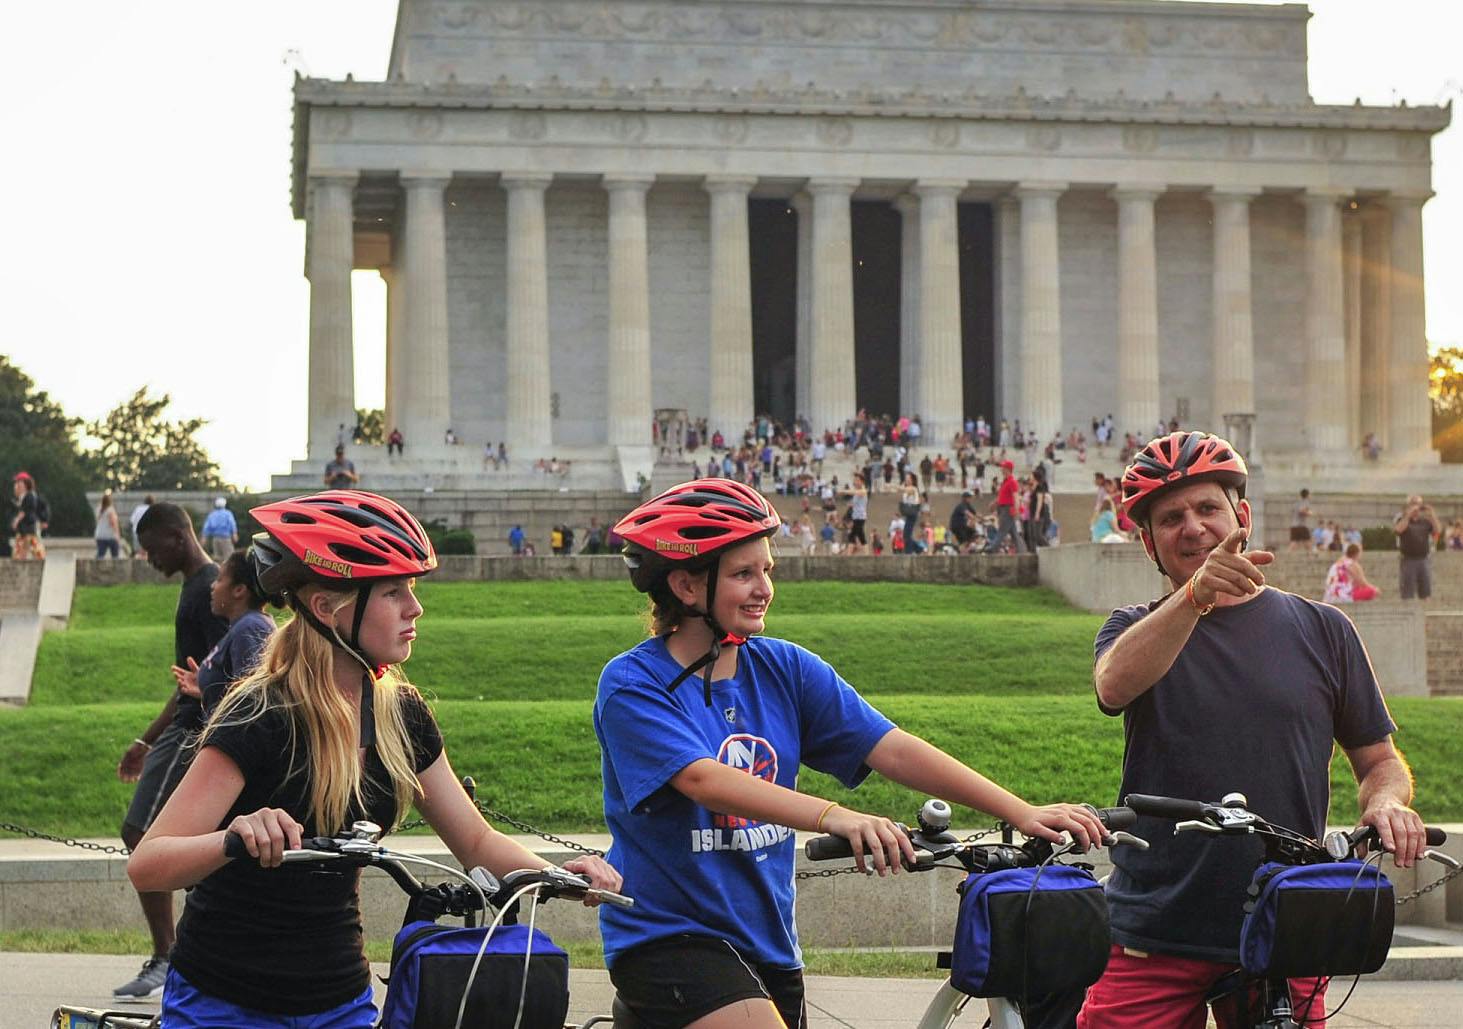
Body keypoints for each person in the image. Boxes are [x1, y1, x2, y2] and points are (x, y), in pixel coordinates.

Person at [596, 479, 1106, 1029]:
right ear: (687, 586)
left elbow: (892, 748)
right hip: (669, 940)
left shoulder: (785, 668)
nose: (764, 587)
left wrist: (1020, 810)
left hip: (767, 944)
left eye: (767, 570)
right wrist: (834, 815)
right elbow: (702, 780)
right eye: (744, 574)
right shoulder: (634, 684)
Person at [127, 490, 620, 1026]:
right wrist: (235, 836)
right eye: (392, 591)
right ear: (326, 608)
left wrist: (563, 877)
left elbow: (476, 841)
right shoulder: (261, 714)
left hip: (340, 999)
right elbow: (150, 864)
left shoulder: (400, 715)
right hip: (223, 1001)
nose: (416, 607)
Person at [1078, 431, 1428, 1029]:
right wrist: (1194, 597)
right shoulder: (1133, 627)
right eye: (1170, 519)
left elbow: (1379, 762)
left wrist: (1388, 804)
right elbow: (1113, 685)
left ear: (1240, 516)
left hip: (1284, 920)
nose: (1192, 528)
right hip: (1156, 923)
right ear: (1148, 544)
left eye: (1208, 508)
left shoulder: (1324, 629)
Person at [113, 502, 231, 998]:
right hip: (183, 728)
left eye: (150, 547)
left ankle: (169, 956)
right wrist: (146, 738)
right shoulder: (196, 587)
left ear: (177, 536)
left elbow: (215, 678)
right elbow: (191, 677)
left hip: (194, 731)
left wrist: (161, 738)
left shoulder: (207, 590)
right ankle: (183, 955)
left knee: (141, 833)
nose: (147, 557)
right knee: (165, 842)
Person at [171, 549, 280, 717]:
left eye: (220, 579)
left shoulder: (250, 628)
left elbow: (251, 702)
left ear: (239, 590)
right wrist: (207, 687)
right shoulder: (243, 627)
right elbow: (236, 692)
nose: (212, 586)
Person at [1394, 494, 1441, 601]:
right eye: (1414, 504)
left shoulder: (1425, 521)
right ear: (1408, 505)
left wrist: (1432, 515)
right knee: (1407, 592)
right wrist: (1408, 515)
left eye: (1419, 504)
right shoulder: (1402, 519)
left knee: (1425, 591)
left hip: (1423, 559)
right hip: (1408, 559)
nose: (1417, 507)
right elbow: (1398, 530)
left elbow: (1438, 530)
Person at [984, 459, 1023, 554]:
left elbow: (1016, 496)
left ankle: (993, 547)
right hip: (1002, 508)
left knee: (1002, 530)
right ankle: (1022, 550)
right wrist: (994, 504)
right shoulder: (1005, 482)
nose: (1001, 469)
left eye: (1003, 467)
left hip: (1007, 509)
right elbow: (1001, 496)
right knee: (1014, 533)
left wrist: (1016, 510)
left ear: (1007, 469)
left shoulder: (1012, 482)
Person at [10, 471, 46, 560]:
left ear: (26, 483)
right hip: (25, 525)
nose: (17, 484)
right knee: (21, 543)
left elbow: (24, 511)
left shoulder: (30, 495)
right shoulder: (24, 496)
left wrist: (16, 521)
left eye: (19, 482)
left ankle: (39, 558)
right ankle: (19, 558)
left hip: (28, 524)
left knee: (32, 543)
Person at [200, 497, 238, 562]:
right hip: (226, 538)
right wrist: (234, 534)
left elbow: (206, 527)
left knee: (217, 558)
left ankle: (219, 571)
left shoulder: (212, 514)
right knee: (229, 558)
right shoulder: (228, 513)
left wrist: (203, 538)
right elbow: (232, 524)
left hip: (216, 539)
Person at [94, 489, 122, 559]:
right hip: (110, 535)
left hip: (99, 535)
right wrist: (118, 535)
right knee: (115, 556)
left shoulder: (98, 509)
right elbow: (113, 523)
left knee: (100, 555)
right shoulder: (110, 510)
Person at [129, 494, 153, 559]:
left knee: (138, 552)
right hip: (147, 533)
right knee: (146, 552)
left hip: (136, 531)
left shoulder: (138, 508)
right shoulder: (152, 509)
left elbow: (132, 520)